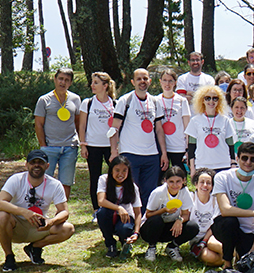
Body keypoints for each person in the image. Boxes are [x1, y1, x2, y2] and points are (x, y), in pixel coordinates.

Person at [0, 150, 75, 271]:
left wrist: (51, 222)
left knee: (68, 228)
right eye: (33, 162)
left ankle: (35, 247)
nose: (36, 165)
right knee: (1, 216)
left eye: (40, 163)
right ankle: (9, 256)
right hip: (16, 226)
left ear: (47, 166)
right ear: (26, 165)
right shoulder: (16, 179)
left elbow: (64, 211)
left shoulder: (55, 184)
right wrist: (24, 212)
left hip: (39, 227)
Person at [110, 68, 170, 205]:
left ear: (149, 81)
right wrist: (114, 151)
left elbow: (159, 130)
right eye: (139, 79)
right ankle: (130, 222)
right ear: (133, 82)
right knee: (130, 191)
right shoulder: (126, 100)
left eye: (145, 78)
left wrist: (164, 153)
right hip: (130, 154)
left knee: (149, 193)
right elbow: (114, 127)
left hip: (152, 155)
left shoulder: (155, 102)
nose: (142, 82)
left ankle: (144, 223)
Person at [211, 143, 254, 269]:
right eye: (244, 158)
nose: (248, 162)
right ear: (237, 158)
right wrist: (253, 213)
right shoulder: (222, 177)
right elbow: (225, 210)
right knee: (230, 222)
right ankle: (227, 263)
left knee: (248, 268)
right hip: (224, 226)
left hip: (248, 231)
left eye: (253, 159)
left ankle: (239, 253)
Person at [34, 67, 82, 200]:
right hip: (50, 147)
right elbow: (38, 124)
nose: (63, 82)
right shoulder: (44, 100)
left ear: (70, 83)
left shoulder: (75, 99)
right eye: (60, 79)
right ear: (55, 79)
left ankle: (62, 211)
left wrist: (80, 142)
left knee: (66, 182)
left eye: (67, 80)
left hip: (70, 147)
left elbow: (78, 123)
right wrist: (43, 145)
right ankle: (42, 209)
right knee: (44, 180)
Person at [141, 166, 200, 262]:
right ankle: (151, 247)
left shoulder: (185, 192)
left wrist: (179, 220)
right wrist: (164, 210)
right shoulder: (158, 192)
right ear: (165, 181)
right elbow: (148, 215)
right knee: (157, 220)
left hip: (171, 228)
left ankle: (172, 247)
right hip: (151, 229)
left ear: (184, 181)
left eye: (178, 181)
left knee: (193, 226)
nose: (175, 185)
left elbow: (186, 214)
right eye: (171, 181)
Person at [79, 72, 117, 214]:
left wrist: (116, 148)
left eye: (96, 82)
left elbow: (117, 127)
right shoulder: (87, 103)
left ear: (105, 85)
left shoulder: (115, 103)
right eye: (92, 82)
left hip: (110, 147)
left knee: (115, 176)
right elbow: (82, 126)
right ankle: (96, 209)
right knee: (95, 177)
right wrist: (83, 145)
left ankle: (114, 206)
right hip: (93, 146)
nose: (92, 85)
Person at [95, 156, 142, 258]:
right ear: (111, 170)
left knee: (124, 229)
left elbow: (138, 213)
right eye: (117, 170)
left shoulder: (133, 187)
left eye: (124, 171)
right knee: (101, 213)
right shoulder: (104, 179)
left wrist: (136, 233)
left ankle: (125, 242)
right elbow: (101, 201)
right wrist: (119, 208)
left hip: (126, 217)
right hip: (109, 215)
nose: (120, 174)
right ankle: (110, 244)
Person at [184, 86, 236, 175]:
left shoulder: (225, 120)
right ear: (202, 100)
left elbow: (230, 144)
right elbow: (191, 146)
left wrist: (233, 163)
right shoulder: (195, 121)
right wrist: (192, 168)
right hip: (202, 165)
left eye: (215, 98)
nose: (211, 101)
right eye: (207, 98)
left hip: (223, 164)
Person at [157, 69, 192, 173]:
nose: (167, 84)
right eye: (165, 80)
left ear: (175, 83)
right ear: (160, 82)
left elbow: (187, 125)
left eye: (170, 81)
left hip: (178, 147)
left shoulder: (182, 101)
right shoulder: (155, 100)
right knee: (162, 180)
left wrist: (188, 148)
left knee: (180, 178)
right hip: (162, 147)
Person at [189, 168, 225, 266]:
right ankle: (227, 260)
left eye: (208, 183)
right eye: (202, 182)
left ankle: (231, 256)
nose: (205, 185)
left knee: (212, 244)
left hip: (212, 235)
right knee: (209, 257)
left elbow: (215, 225)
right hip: (196, 240)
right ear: (196, 184)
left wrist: (205, 240)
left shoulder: (215, 201)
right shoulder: (190, 198)